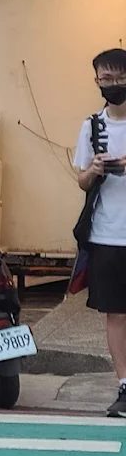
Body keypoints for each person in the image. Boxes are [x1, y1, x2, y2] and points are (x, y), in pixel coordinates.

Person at [73, 48, 126, 417]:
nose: (112, 85)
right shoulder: (92, 126)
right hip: (107, 235)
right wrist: (94, 169)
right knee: (116, 314)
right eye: (104, 79)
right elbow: (81, 180)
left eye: (118, 78)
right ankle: (125, 385)